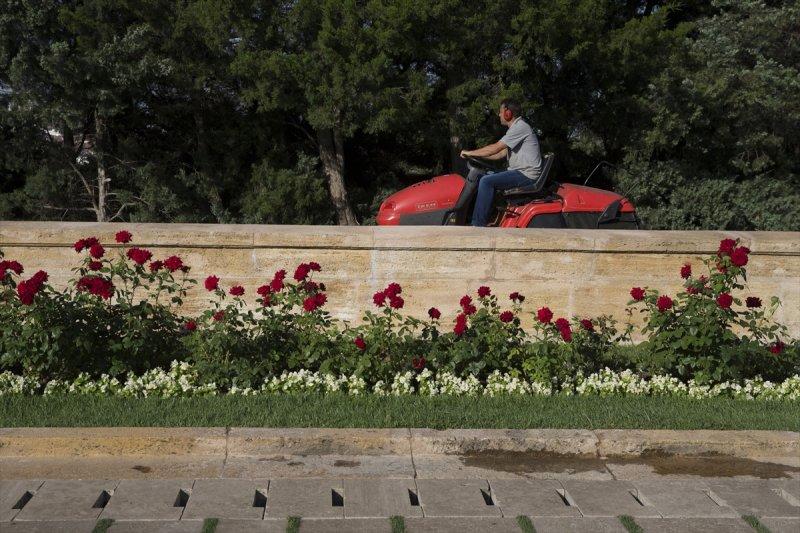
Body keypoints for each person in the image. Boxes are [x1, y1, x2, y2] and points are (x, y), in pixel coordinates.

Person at [459, 99, 543, 226]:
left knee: (486, 181)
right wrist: (479, 158)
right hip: (519, 172)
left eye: (500, 112)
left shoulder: (520, 127)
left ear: (508, 113)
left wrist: (470, 153)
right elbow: (500, 154)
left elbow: (495, 147)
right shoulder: (515, 128)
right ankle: (473, 217)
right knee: (483, 176)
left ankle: (477, 225)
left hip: (526, 175)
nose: (499, 115)